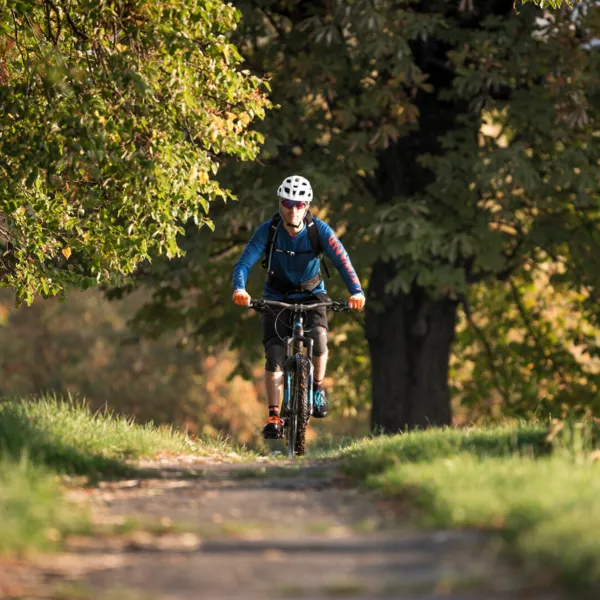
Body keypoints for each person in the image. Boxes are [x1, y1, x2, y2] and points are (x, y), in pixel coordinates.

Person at [232, 175, 366, 439]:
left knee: (319, 337)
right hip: (276, 296)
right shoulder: (268, 230)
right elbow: (244, 262)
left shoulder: (319, 231)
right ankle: (273, 414)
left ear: (307, 206)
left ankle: (316, 388)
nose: (293, 209)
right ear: (280, 204)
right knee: (274, 355)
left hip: (312, 294)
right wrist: (240, 288)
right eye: (287, 203)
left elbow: (342, 260)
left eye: (299, 204)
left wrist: (357, 291)